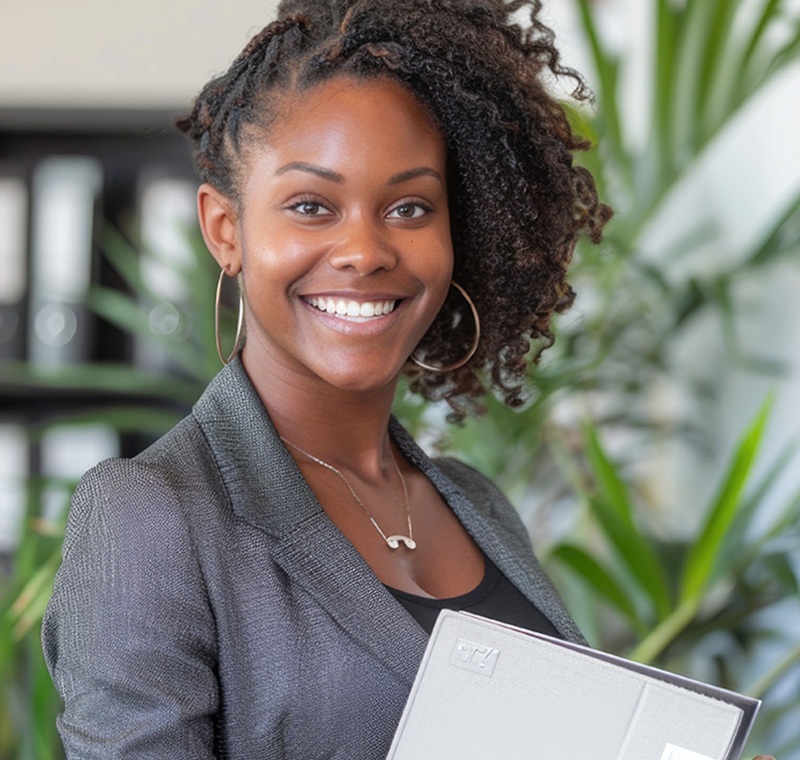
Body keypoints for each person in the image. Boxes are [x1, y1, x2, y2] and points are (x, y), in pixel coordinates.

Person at [40, 1, 774, 758]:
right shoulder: (151, 515)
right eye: (311, 206)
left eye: (410, 207)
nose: (364, 250)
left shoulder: (477, 505)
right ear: (226, 229)